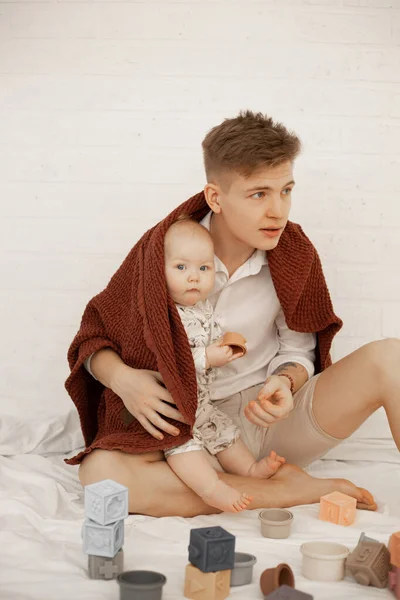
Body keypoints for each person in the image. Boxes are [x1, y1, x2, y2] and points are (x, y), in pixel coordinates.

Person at [73, 110, 400, 517]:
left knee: (392, 358)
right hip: (188, 426)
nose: (277, 211)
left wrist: (285, 380)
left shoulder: (294, 252)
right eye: (259, 194)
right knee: (101, 476)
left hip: (271, 422)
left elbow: (299, 349)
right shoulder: (164, 249)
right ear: (215, 197)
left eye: (286, 191)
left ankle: (253, 481)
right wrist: (123, 379)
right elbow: (95, 334)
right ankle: (292, 490)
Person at [162, 217, 285, 512]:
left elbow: (206, 339)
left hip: (201, 404)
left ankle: (251, 471)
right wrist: (207, 357)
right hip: (173, 410)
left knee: (225, 433)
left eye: (203, 269)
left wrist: (225, 346)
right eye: (181, 267)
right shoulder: (164, 314)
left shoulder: (202, 307)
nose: (194, 277)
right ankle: (212, 489)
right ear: (159, 270)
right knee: (182, 447)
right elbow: (164, 361)